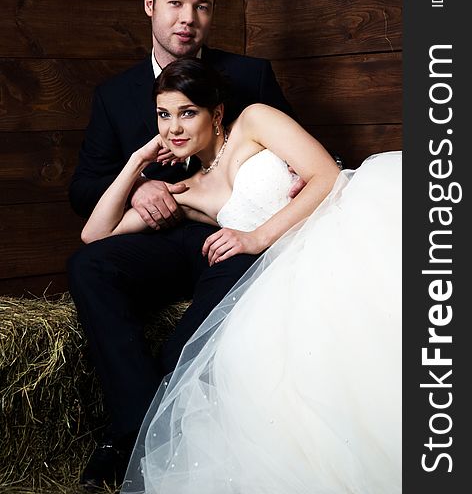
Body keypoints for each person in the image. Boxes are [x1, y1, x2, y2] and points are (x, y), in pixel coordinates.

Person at [82, 58, 401, 494]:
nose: (173, 128)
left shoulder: (254, 121)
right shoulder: (187, 190)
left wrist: (254, 238)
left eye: (187, 112)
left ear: (215, 115)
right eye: (163, 114)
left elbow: (325, 174)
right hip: (284, 268)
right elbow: (94, 237)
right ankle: (137, 435)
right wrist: (135, 164)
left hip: (334, 228)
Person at [68, 0, 298, 491]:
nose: (187, 19)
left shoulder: (251, 78)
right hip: (162, 234)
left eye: (202, 6)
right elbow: (84, 193)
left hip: (240, 238)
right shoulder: (114, 96)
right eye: (175, 3)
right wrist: (141, 181)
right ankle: (139, 425)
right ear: (150, 6)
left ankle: (127, 439)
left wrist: (258, 226)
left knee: (188, 340)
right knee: (89, 267)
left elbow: (302, 162)